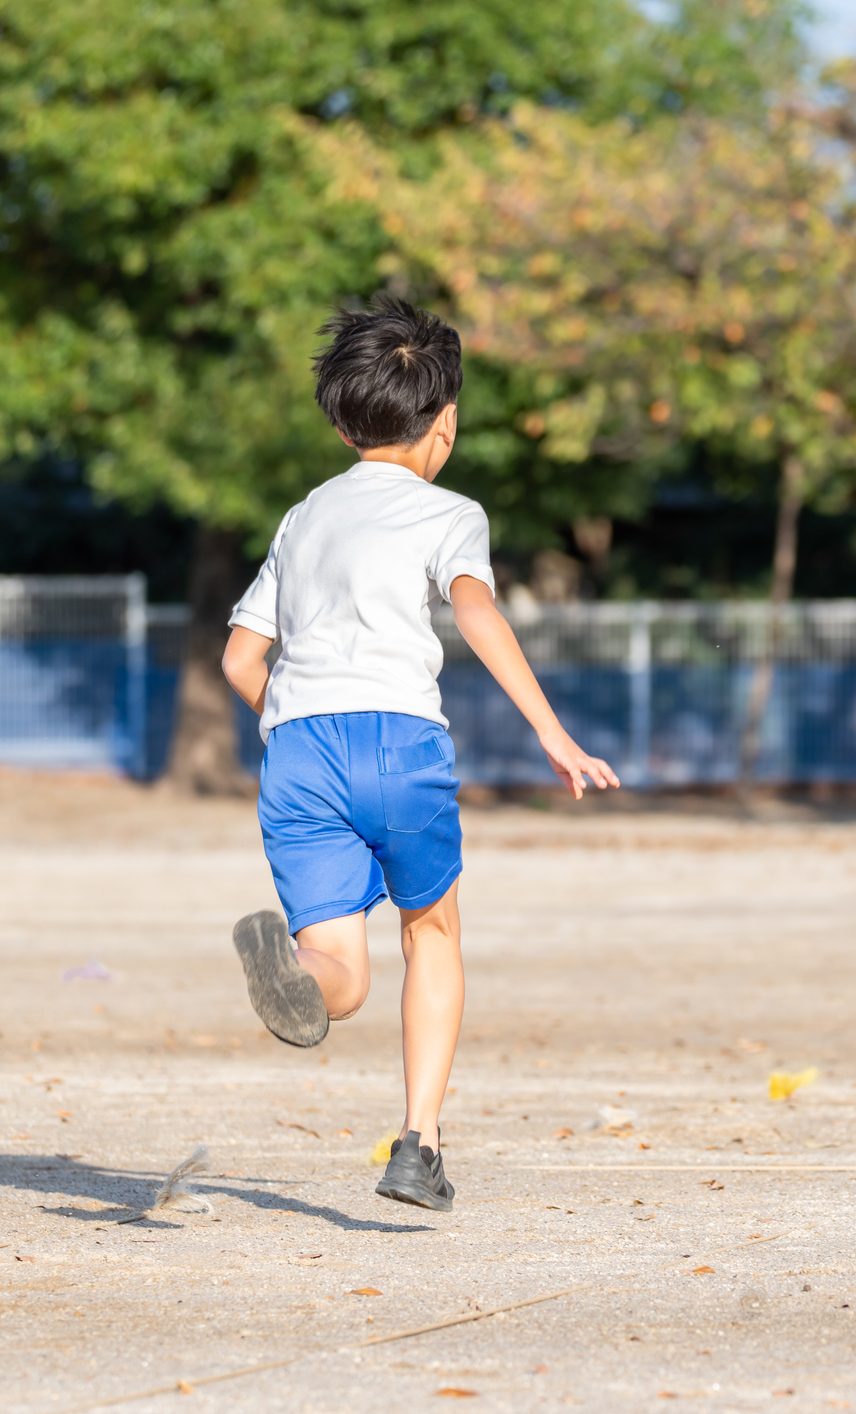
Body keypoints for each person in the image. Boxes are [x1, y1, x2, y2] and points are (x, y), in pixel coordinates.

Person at [220, 296, 620, 1212]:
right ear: (443, 425)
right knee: (429, 932)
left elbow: (242, 657)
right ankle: (418, 1145)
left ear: (339, 416)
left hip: (299, 747)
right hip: (399, 740)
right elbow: (475, 610)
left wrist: (294, 732)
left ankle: (294, 971)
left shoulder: (301, 518)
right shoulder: (449, 513)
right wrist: (551, 733)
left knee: (341, 977)